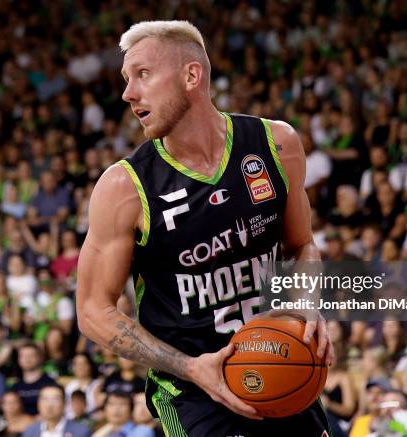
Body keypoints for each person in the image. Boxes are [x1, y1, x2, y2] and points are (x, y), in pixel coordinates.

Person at [76, 20, 333, 437]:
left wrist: (305, 305)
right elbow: (92, 310)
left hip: (277, 361)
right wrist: (190, 367)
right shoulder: (125, 186)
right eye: (126, 79)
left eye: (142, 74)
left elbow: (302, 245)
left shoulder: (275, 144)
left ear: (191, 75)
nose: (127, 93)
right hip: (191, 391)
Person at [23, 384, 91, 437]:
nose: (49, 405)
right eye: (45, 399)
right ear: (38, 404)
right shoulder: (30, 432)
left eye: (55, 400)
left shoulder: (81, 432)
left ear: (64, 403)